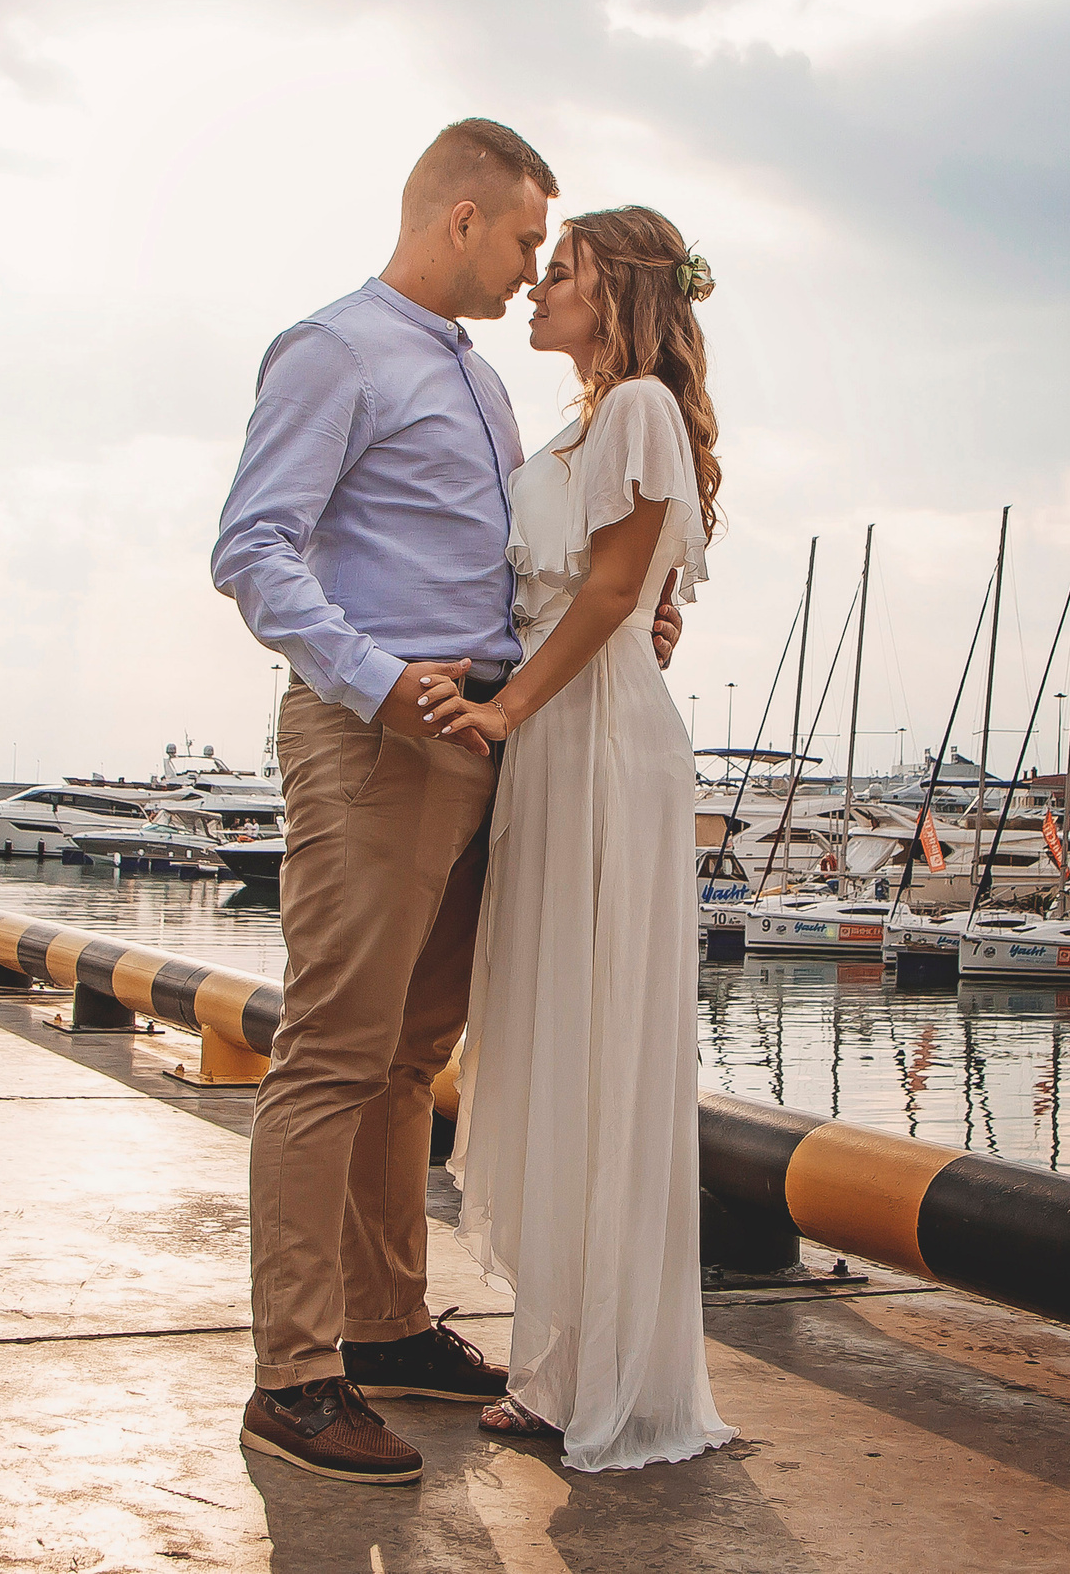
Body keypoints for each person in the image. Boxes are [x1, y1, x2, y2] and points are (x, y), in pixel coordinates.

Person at [212, 120, 681, 1486]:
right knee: (332, 1051)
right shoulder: (336, 349)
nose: (539, 264)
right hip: (382, 738)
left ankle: (386, 1321)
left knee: (412, 1053)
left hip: (482, 733)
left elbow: (522, 561)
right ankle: (294, 1376)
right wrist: (372, 678)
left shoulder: (476, 377)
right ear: (464, 218)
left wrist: (609, 631)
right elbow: (253, 548)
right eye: (531, 239)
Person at [423, 204, 735, 1471]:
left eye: (563, 271)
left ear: (617, 297)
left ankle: (607, 1378)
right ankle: (563, 1363)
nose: (540, 287)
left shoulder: (640, 408)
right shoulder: (588, 420)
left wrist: (502, 705)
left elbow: (615, 591)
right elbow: (621, 591)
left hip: (599, 749)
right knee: (560, 1040)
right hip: (569, 743)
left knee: (597, 1042)